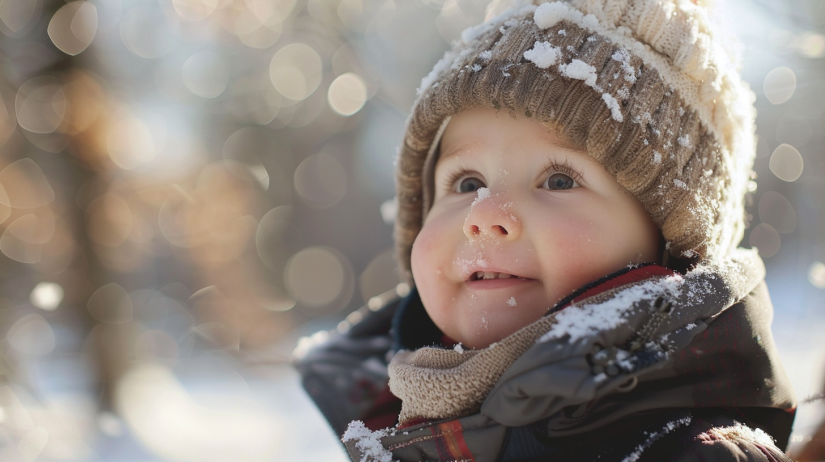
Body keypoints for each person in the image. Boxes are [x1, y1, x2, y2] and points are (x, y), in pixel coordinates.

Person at [294, 0, 798, 460]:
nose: (484, 214)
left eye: (558, 180)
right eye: (467, 182)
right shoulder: (393, 427)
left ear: (669, 244)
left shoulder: (694, 452)